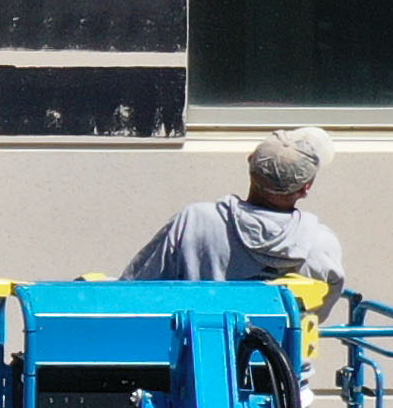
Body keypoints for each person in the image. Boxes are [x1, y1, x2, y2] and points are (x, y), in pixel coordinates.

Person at [124, 125, 349, 291]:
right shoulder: (321, 245)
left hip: (196, 351)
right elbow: (316, 315)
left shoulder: (194, 221)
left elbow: (136, 288)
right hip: (279, 354)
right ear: (306, 188)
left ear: (251, 165)